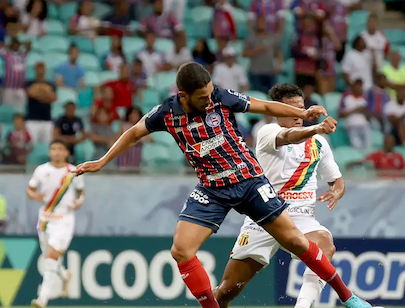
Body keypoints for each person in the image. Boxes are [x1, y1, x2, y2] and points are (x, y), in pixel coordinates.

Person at [73, 62, 372, 308]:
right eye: (201, 97)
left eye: (209, 93)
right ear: (183, 95)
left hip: (249, 180)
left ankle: (348, 297)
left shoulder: (220, 95)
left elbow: (262, 106)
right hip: (211, 189)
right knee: (181, 250)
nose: (209, 100)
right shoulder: (166, 113)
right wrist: (102, 161)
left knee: (296, 241)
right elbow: (134, 132)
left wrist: (302, 115)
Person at [220, 83, 343, 308]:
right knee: (226, 291)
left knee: (326, 245)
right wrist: (315, 128)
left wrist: (336, 191)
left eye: (302, 109)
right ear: (276, 111)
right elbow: (290, 136)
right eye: (291, 110)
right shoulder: (267, 132)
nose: (299, 115)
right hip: (264, 217)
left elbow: (336, 179)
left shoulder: (319, 143)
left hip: (301, 217)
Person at [27, 139, 85, 308]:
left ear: (66, 152)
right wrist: (34, 195)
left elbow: (81, 194)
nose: (56, 152)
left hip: (64, 220)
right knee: (48, 256)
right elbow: (30, 189)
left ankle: (42, 299)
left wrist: (79, 202)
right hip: (45, 219)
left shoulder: (73, 172)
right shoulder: (41, 170)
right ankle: (64, 275)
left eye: (60, 149)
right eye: (53, 149)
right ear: (49, 152)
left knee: (51, 255)